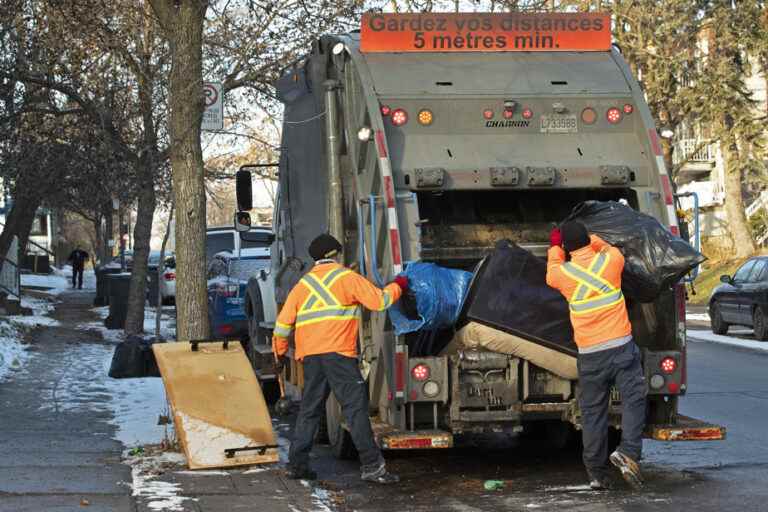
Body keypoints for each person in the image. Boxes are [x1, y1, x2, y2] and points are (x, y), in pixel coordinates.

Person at [272, 233, 408, 485]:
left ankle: (297, 465)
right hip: (339, 355)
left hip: (312, 358)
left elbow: (282, 326)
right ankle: (372, 467)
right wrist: (399, 283)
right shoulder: (346, 278)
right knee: (355, 410)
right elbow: (380, 301)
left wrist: (279, 354)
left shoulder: (302, 285)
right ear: (334, 254)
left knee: (310, 410)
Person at [545, 221, 645, 490]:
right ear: (589, 240)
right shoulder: (612, 261)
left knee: (593, 415)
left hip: (590, 356)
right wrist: (593, 238)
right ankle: (628, 453)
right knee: (634, 401)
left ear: (567, 247)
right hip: (622, 349)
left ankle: (596, 474)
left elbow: (552, 268)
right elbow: (608, 247)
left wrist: (556, 246)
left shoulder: (562, 275)